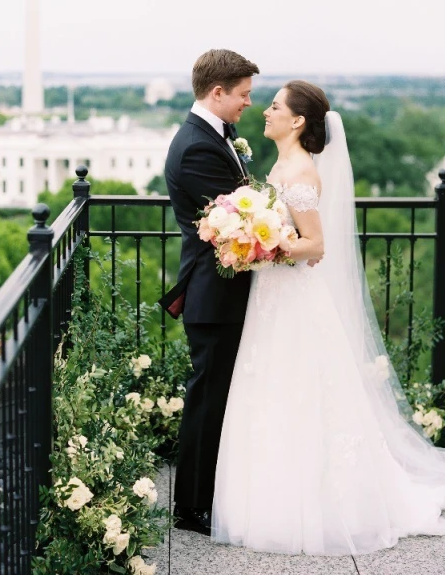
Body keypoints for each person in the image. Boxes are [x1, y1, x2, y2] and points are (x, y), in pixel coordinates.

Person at [212, 80, 445, 556]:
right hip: (273, 295)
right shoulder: (281, 163)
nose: (266, 110)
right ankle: (270, 499)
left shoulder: (302, 172)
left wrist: (267, 243)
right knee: (272, 387)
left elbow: (316, 245)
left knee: (303, 389)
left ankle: (321, 504)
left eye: (275, 105)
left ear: (298, 120)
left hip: (294, 300)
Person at [159, 49, 260, 535]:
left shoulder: (216, 136)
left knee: (219, 395)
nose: (247, 104)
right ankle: (191, 505)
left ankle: (212, 493)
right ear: (216, 92)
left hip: (224, 293)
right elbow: (234, 224)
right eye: (242, 95)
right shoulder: (198, 146)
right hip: (214, 296)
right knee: (207, 399)